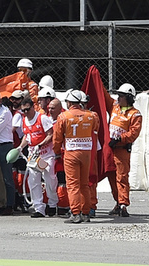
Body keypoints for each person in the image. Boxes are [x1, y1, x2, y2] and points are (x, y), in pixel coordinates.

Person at [53, 89, 99, 223]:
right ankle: (86, 213)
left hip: (71, 153)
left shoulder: (63, 117)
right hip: (86, 153)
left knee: (73, 184)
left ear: (69, 102)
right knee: (84, 184)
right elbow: (95, 129)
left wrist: (56, 152)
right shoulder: (92, 116)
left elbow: (57, 138)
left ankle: (75, 213)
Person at [103, 83, 142, 217]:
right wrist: (96, 77)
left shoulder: (135, 114)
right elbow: (105, 96)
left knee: (122, 177)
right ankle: (118, 202)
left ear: (129, 98)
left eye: (121, 96)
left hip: (122, 150)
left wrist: (119, 139)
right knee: (111, 175)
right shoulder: (114, 106)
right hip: (110, 148)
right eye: (118, 95)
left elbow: (133, 133)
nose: (118, 98)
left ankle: (123, 204)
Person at [17, 97, 58, 218]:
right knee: (33, 181)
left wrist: (40, 145)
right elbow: (26, 136)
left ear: (33, 107)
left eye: (27, 109)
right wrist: (20, 147)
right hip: (33, 156)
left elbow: (51, 134)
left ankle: (52, 203)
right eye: (23, 110)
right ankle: (39, 207)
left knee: (50, 179)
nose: (25, 112)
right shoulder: (24, 120)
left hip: (46, 154)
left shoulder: (42, 118)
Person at [48, 98, 69, 216]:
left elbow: (57, 140)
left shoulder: (64, 120)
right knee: (51, 181)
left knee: (63, 181)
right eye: (49, 108)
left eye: (52, 108)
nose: (50, 110)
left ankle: (63, 206)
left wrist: (57, 152)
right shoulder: (47, 120)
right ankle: (52, 204)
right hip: (51, 155)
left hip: (61, 155)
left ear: (60, 109)